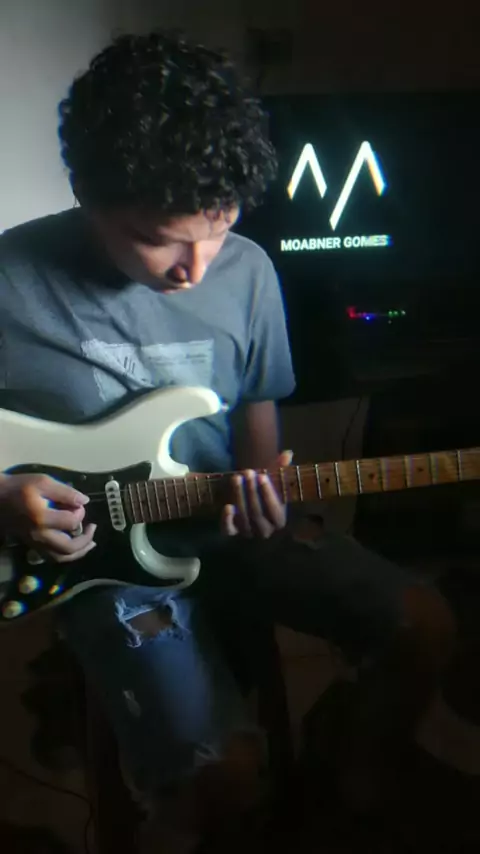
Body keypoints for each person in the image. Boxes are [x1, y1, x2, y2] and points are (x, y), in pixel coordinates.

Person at [0, 31, 455, 853]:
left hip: (223, 519)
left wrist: (263, 491)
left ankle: (350, 770)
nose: (197, 268)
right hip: (99, 561)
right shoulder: (11, 279)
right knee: (222, 780)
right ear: (87, 194)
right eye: (158, 238)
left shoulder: (247, 270)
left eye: (218, 228)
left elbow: (256, 421)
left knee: (423, 624)